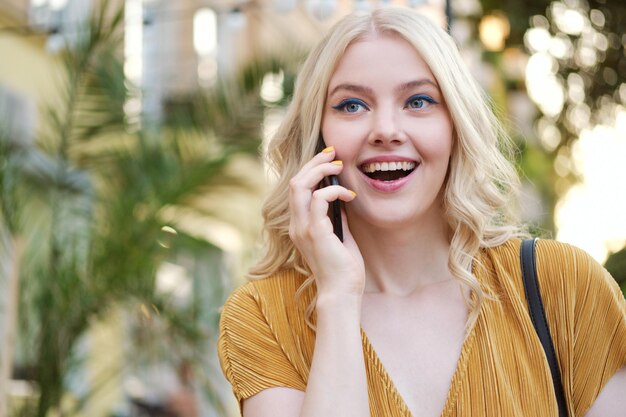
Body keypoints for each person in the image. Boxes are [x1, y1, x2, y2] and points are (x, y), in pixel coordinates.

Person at [217, 7, 626, 417]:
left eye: (418, 100)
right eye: (352, 105)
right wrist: (338, 297)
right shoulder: (263, 316)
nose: (386, 130)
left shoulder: (564, 285)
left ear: (455, 126)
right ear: (316, 134)